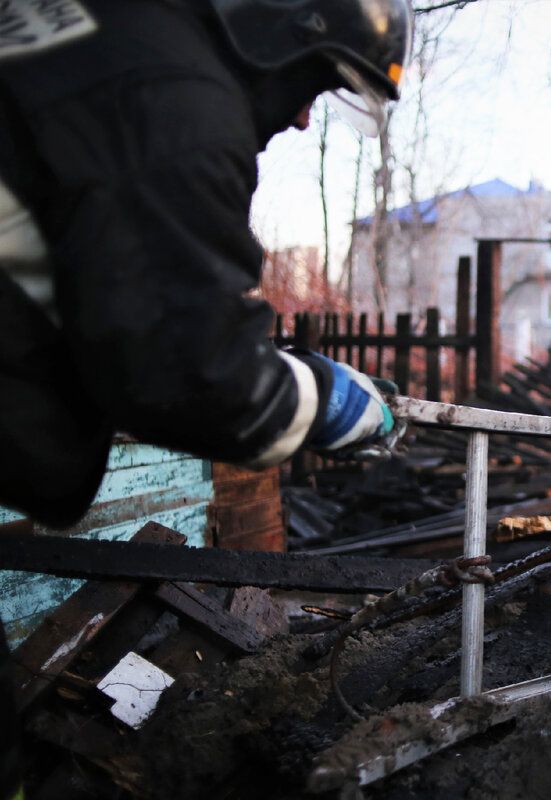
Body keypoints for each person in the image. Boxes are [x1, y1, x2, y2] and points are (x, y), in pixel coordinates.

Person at [0, 2, 413, 793]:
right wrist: (326, 398)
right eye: (312, 83)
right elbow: (190, 371)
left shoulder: (109, 32)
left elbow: (105, 310)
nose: (302, 117)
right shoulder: (173, 99)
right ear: (275, 31)